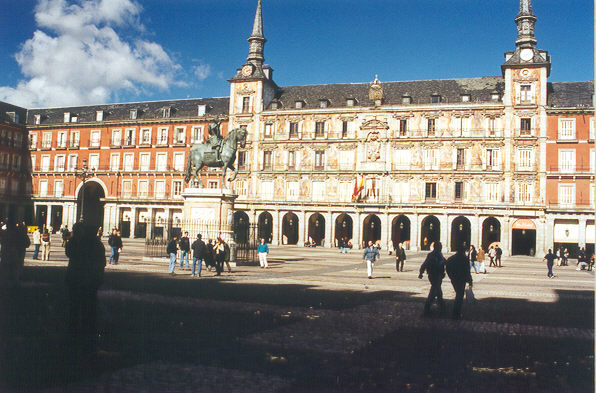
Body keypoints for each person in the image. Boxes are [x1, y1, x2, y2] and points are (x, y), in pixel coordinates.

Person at [65, 222, 106, 354]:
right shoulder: (94, 244)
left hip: (76, 279)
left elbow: (69, 253)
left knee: (76, 306)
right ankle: (86, 332)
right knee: (88, 307)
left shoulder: (75, 243)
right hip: (88, 280)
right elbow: (102, 262)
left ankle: (75, 332)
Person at [418, 241, 447, 315]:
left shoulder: (440, 254)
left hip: (439, 275)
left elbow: (445, 262)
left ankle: (440, 306)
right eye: (440, 247)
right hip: (434, 275)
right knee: (435, 291)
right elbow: (425, 264)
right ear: (436, 247)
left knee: (437, 291)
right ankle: (428, 309)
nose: (441, 248)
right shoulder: (431, 255)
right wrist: (421, 273)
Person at [446, 246, 473, 320]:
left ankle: (456, 312)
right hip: (462, 279)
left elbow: (447, 267)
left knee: (458, 294)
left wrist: (451, 276)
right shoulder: (464, 259)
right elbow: (467, 271)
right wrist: (470, 281)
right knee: (459, 296)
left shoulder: (451, 258)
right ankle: (456, 313)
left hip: (454, 279)